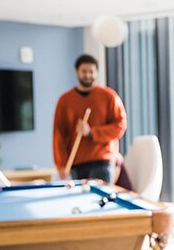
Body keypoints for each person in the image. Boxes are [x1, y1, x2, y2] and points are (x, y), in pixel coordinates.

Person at [53, 54, 127, 183]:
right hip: (77, 161)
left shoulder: (109, 96)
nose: (87, 75)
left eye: (91, 72)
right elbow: (59, 135)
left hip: (103, 159)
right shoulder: (65, 100)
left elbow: (119, 126)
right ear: (77, 72)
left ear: (96, 73)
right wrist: (61, 164)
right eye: (84, 72)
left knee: (101, 200)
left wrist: (91, 132)